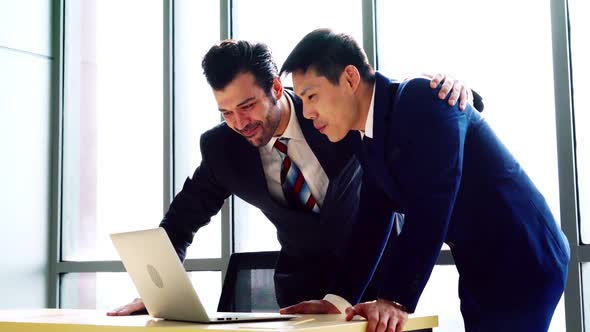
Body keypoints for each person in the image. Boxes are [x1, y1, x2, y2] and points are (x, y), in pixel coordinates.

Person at [107, 39, 479, 316]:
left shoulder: (330, 107)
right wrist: (154, 291)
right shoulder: (224, 148)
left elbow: (394, 109)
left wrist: (457, 90)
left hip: (376, 281)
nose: (239, 123)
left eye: (247, 105)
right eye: (226, 112)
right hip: (303, 291)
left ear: (275, 88)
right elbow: (182, 218)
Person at [279, 29, 570, 332]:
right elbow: (372, 219)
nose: (308, 112)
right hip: (478, 263)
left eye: (312, 96)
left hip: (524, 252)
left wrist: (394, 300)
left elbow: (432, 204)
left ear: (350, 79)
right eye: (301, 100)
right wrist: (338, 300)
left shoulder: (422, 97)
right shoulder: (364, 138)